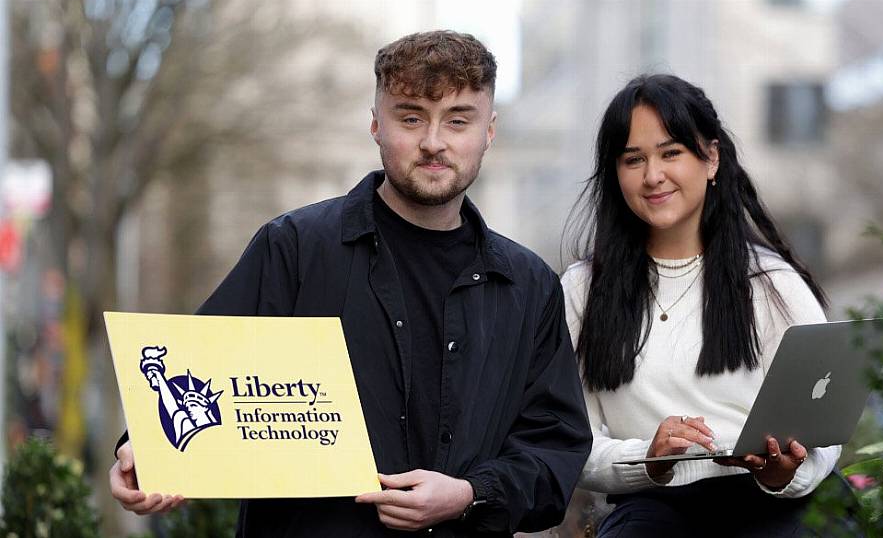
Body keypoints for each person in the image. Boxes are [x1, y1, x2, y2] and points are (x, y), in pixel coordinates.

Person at [109, 30, 592, 537]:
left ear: (489, 131)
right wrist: (144, 450)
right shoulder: (294, 247)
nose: (433, 142)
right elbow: (196, 372)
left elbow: (554, 453)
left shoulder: (529, 286)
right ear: (375, 125)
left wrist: (470, 495)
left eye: (457, 120)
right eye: (410, 117)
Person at [561, 74, 842, 536]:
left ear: (711, 158)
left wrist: (785, 474)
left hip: (773, 507)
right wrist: (647, 460)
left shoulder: (771, 281)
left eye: (671, 153)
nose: (653, 176)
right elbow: (573, 440)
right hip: (652, 509)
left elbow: (825, 428)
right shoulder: (581, 290)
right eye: (633, 159)